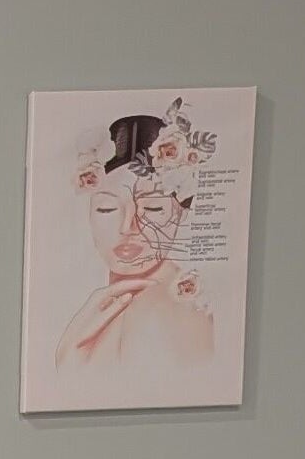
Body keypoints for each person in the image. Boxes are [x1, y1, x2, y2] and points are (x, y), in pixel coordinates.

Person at [55, 112, 217, 373]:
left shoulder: (175, 314)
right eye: (107, 209)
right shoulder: (108, 307)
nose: (128, 227)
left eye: (152, 208)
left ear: (180, 212)